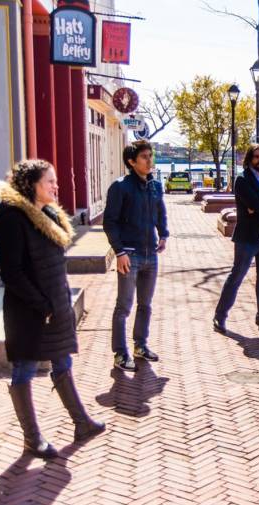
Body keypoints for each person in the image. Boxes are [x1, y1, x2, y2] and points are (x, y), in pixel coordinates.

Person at [0, 160, 105, 459]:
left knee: (62, 361)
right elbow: (12, 273)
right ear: (31, 185)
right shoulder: (12, 218)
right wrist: (42, 306)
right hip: (30, 312)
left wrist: (59, 302)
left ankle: (81, 422)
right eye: (49, 181)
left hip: (55, 305)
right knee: (24, 369)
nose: (56, 186)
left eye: (55, 181)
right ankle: (32, 439)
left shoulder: (49, 214)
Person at [104, 140, 169, 371]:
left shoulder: (155, 186)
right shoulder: (120, 187)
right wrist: (119, 252)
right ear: (131, 162)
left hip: (150, 254)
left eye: (151, 155)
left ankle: (140, 345)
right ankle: (120, 354)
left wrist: (163, 234)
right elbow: (109, 222)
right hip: (129, 255)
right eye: (144, 156)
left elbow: (160, 212)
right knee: (124, 306)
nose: (149, 160)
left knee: (146, 304)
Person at [213, 144, 259, 333]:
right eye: (256, 157)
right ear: (249, 159)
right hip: (248, 239)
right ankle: (220, 316)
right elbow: (255, 203)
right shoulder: (242, 180)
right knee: (236, 276)